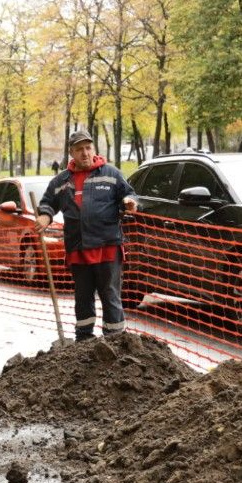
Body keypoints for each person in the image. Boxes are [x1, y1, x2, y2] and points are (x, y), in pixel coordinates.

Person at [35, 131, 137, 341]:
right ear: (71, 152)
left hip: (106, 245)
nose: (85, 152)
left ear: (94, 149)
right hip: (78, 248)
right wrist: (45, 216)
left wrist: (129, 202)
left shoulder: (111, 173)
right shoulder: (61, 181)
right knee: (83, 297)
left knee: (110, 295)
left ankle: (115, 339)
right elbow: (47, 203)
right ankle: (84, 341)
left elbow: (129, 193)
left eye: (88, 147)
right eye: (79, 149)